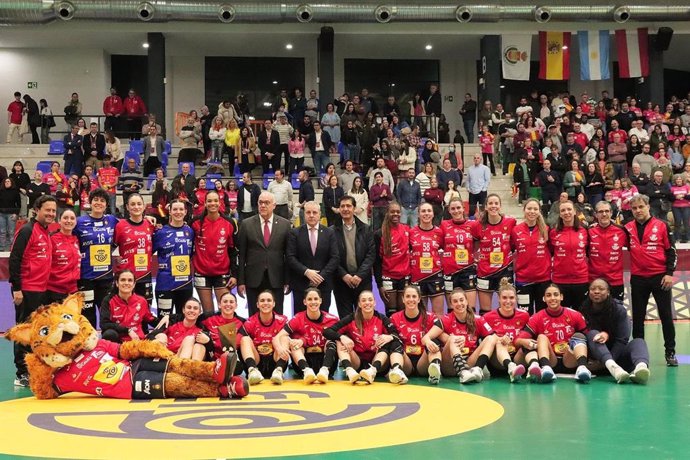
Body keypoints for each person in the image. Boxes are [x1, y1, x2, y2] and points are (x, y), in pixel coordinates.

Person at [624, 195, 678, 366]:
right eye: (634, 208)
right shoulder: (627, 228)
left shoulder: (662, 225)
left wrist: (669, 273)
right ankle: (639, 357)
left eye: (641, 207)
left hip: (660, 277)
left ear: (648, 206)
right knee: (638, 318)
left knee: (666, 317)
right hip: (638, 278)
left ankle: (670, 352)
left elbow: (672, 251)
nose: (638, 211)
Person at [9, 195, 56, 386]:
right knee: (24, 332)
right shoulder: (27, 230)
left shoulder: (46, 231)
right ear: (37, 209)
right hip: (27, 290)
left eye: (53, 211)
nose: (51, 214)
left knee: (37, 333)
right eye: (48, 210)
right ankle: (21, 373)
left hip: (42, 290)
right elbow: (14, 259)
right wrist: (17, 289)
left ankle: (34, 369)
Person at [324, 290, 408, 384]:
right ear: (359, 304)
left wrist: (390, 337)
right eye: (363, 300)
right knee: (339, 341)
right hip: (357, 363)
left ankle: (373, 371)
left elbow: (397, 334)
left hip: (377, 362)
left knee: (390, 340)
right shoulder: (351, 318)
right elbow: (327, 331)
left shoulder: (382, 319)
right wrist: (341, 337)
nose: (367, 303)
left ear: (374, 303)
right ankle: (349, 371)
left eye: (370, 300)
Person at [515, 284, 591, 383]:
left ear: (561, 297)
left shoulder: (575, 315)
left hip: (569, 359)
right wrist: (524, 341)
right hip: (551, 360)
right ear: (544, 298)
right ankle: (545, 368)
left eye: (556, 294)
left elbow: (588, 336)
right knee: (541, 337)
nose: (552, 298)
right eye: (548, 295)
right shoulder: (537, 317)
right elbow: (517, 341)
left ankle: (582, 368)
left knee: (580, 336)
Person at [582, 279, 651, 384]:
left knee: (638, 341)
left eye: (601, 289)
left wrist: (612, 359)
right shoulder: (583, 309)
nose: (596, 291)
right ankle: (612, 366)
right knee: (593, 334)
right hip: (596, 359)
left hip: (617, 359)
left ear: (608, 292)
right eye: (593, 289)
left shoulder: (619, 310)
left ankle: (641, 368)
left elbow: (622, 340)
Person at [423, 288, 497, 383]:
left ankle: (478, 369)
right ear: (451, 305)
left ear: (466, 301)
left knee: (491, 338)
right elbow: (426, 337)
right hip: (449, 365)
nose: (459, 303)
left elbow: (494, 337)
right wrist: (429, 342)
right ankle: (462, 372)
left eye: (461, 300)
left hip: (469, 362)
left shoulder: (477, 319)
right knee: (453, 338)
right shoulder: (446, 319)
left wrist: (504, 339)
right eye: (455, 301)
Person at [237, 191, 291, 315]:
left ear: (274, 205)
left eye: (266, 203)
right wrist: (241, 281)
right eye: (260, 202)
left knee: (277, 315)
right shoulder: (246, 224)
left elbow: (288, 255)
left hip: (276, 277)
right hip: (253, 278)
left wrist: (287, 280)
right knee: (254, 315)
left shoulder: (285, 224)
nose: (263, 205)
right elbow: (242, 255)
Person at [274, 288, 340, 383]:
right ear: (304, 302)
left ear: (321, 300)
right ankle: (306, 371)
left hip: (326, 362)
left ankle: (325, 370)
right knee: (291, 341)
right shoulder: (298, 318)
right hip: (304, 361)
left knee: (334, 340)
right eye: (309, 299)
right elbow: (278, 337)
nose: (313, 302)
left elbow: (342, 338)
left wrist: (303, 340)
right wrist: (281, 349)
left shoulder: (332, 319)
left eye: (316, 299)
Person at [73, 189, 118, 326]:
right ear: (90, 202)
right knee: (87, 315)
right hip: (86, 277)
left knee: (107, 315)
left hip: (106, 277)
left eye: (102, 200)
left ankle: (107, 344)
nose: (99, 203)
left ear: (106, 204)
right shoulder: (79, 222)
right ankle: (89, 345)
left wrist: (147, 218)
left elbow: (131, 225)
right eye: (96, 200)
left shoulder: (112, 220)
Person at [286, 201, 339, 314]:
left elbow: (334, 258)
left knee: (323, 320)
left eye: (314, 212)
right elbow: (290, 257)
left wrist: (320, 276)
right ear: (304, 214)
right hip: (301, 284)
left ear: (320, 214)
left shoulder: (329, 233)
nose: (311, 215)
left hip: (323, 285)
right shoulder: (294, 233)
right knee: (300, 321)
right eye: (308, 212)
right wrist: (306, 272)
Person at [191, 190, 238, 314]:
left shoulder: (229, 222)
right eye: (209, 201)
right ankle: (208, 334)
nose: (213, 203)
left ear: (220, 202)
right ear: (205, 203)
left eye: (215, 200)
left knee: (226, 312)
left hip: (222, 272)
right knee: (208, 313)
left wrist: (234, 274)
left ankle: (226, 334)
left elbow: (233, 250)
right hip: (201, 273)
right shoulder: (195, 222)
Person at [331, 196, 375, 319]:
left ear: (354, 208)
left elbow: (371, 255)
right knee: (345, 320)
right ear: (339, 209)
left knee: (364, 318)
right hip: (341, 282)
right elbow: (332, 257)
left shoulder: (366, 229)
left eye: (348, 206)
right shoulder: (331, 231)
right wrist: (344, 275)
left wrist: (359, 275)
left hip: (362, 281)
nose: (345, 209)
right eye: (342, 206)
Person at [472, 194, 516, 314]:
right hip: (484, 271)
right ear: (485, 207)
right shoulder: (478, 225)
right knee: (485, 311)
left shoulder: (510, 222)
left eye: (496, 203)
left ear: (500, 206)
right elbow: (474, 245)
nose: (493, 206)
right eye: (490, 203)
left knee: (507, 307)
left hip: (504, 270)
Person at [390, 285, 442, 383]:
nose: (411, 299)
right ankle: (397, 370)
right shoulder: (395, 318)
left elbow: (441, 328)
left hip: (424, 361)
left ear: (419, 299)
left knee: (434, 341)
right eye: (408, 296)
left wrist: (427, 339)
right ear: (403, 299)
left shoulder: (430, 317)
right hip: (406, 361)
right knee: (394, 344)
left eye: (414, 296)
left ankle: (434, 372)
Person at [153, 199, 194, 317]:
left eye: (181, 209)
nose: (178, 212)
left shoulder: (190, 231)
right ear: (169, 212)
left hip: (184, 284)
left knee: (184, 320)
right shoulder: (161, 232)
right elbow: (148, 251)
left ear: (186, 212)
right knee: (164, 320)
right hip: (165, 284)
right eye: (175, 209)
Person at [239, 290, 289, 385]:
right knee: (244, 339)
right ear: (257, 304)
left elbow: (292, 340)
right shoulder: (250, 322)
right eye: (262, 300)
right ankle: (252, 371)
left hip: (275, 360)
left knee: (285, 337)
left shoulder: (283, 320)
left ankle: (279, 371)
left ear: (274, 304)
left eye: (269, 300)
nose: (265, 303)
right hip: (257, 362)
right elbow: (238, 342)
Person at [482, 283, 529, 382]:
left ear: (516, 299)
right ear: (498, 299)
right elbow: (485, 342)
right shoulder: (488, 317)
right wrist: (499, 339)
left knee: (527, 344)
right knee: (500, 343)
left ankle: (534, 366)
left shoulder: (524, 315)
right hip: (497, 364)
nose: (508, 301)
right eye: (504, 298)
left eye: (511, 298)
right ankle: (510, 367)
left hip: (517, 360)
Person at [510, 198, 551, 313]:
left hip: (543, 280)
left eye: (535, 209)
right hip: (523, 280)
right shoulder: (515, 230)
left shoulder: (546, 230)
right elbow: (511, 249)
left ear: (539, 212)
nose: (532, 211)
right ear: (524, 210)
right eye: (529, 208)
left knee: (542, 313)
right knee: (525, 314)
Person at [114, 193, 155, 305]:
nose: (136, 207)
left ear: (143, 206)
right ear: (127, 207)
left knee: (145, 313)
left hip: (145, 275)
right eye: (132, 204)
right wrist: (117, 258)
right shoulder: (120, 225)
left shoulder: (150, 224)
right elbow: (110, 247)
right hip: (126, 276)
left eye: (139, 204)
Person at [549, 200, 589, 310]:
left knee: (581, 316)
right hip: (560, 281)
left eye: (569, 209)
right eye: (563, 210)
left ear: (575, 211)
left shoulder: (584, 231)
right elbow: (551, 252)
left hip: (581, 280)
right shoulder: (553, 233)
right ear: (560, 214)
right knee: (561, 316)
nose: (566, 212)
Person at [100, 270, 159, 343]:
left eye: (130, 280)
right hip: (118, 342)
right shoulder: (108, 300)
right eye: (123, 280)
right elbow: (104, 324)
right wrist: (127, 330)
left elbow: (151, 319)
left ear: (134, 284)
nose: (126, 283)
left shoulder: (142, 301)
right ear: (117, 283)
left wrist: (169, 319)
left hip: (137, 341)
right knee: (109, 334)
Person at [374, 202, 410, 316]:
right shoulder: (380, 233)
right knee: (391, 312)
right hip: (388, 277)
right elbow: (377, 262)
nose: (395, 214)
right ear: (387, 213)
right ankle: (392, 334)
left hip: (405, 276)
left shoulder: (407, 230)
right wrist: (379, 285)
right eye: (392, 211)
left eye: (398, 212)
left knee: (403, 310)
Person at [409, 203, 445, 316]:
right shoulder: (411, 232)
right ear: (418, 214)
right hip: (418, 277)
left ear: (433, 214)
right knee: (421, 314)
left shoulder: (440, 232)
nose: (426, 213)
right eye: (423, 211)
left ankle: (437, 334)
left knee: (438, 314)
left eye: (429, 211)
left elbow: (445, 250)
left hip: (435, 276)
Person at [588, 200, 627, 301]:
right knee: (595, 314)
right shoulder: (589, 232)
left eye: (606, 211)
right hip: (594, 281)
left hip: (615, 281)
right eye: (600, 212)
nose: (604, 214)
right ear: (596, 214)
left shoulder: (622, 231)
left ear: (611, 213)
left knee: (616, 314)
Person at [201, 292, 246, 371]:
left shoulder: (242, 322)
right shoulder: (207, 318)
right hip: (209, 360)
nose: (228, 304)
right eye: (225, 302)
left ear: (236, 306)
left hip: (230, 361)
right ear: (219, 305)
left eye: (231, 302)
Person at [46, 208, 80, 303]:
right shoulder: (51, 239)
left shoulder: (76, 239)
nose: (69, 221)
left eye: (72, 218)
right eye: (65, 218)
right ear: (59, 221)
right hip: (53, 291)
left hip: (73, 291)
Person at [0, 177, 20, 251]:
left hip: (12, 214)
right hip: (1, 214)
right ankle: (2, 247)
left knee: (11, 232)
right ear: (3, 183)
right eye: (6, 181)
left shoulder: (15, 192)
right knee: (2, 232)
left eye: (8, 181)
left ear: (11, 183)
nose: (7, 182)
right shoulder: (0, 191)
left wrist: (16, 213)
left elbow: (19, 204)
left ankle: (11, 247)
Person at [670, 173, 690, 242]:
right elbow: (670, 198)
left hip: (686, 206)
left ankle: (688, 238)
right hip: (676, 207)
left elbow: (689, 197)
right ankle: (677, 238)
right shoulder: (672, 188)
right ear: (675, 181)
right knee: (677, 222)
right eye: (677, 179)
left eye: (680, 179)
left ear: (682, 180)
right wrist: (676, 197)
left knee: (686, 222)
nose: (678, 180)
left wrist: (683, 196)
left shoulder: (687, 187)